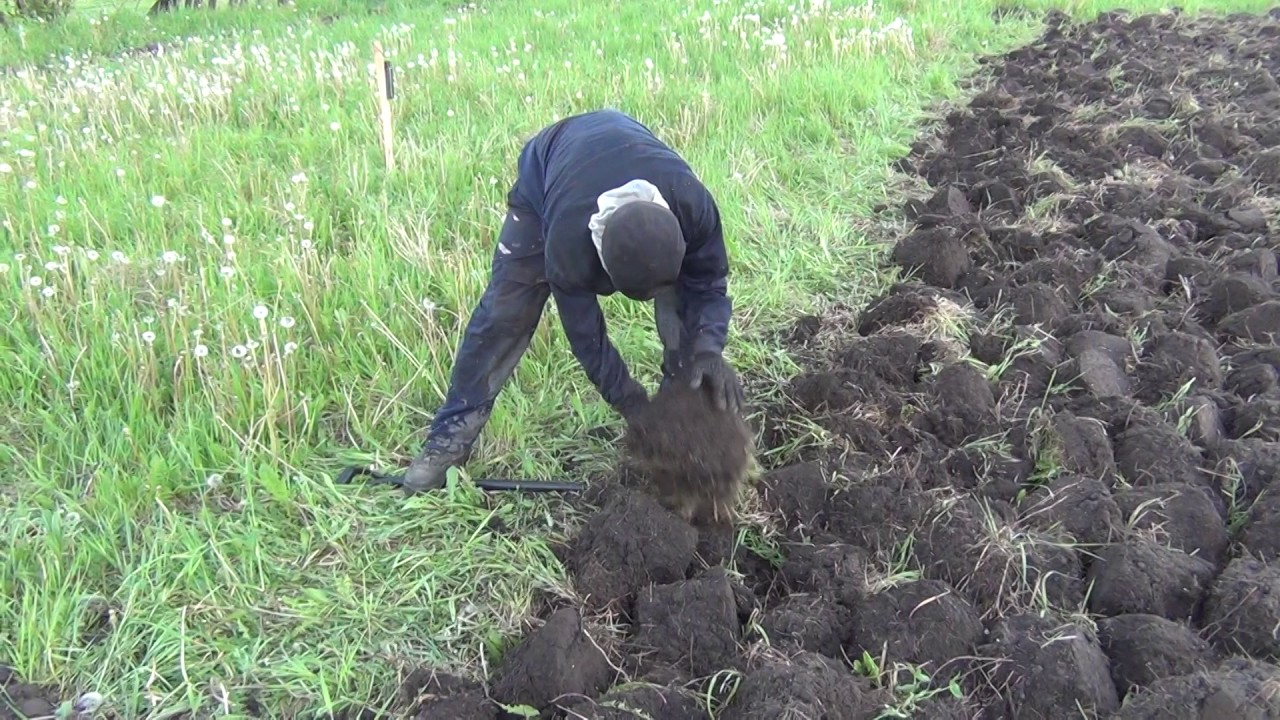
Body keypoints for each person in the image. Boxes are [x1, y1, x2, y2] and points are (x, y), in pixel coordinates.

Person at [402, 108, 743, 494]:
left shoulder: (692, 204)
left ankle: (680, 416)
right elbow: (587, 338)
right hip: (552, 166)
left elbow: (709, 282)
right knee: (505, 312)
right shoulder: (568, 242)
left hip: (628, 143)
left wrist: (708, 350)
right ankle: (448, 440)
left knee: (685, 312)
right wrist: (633, 406)